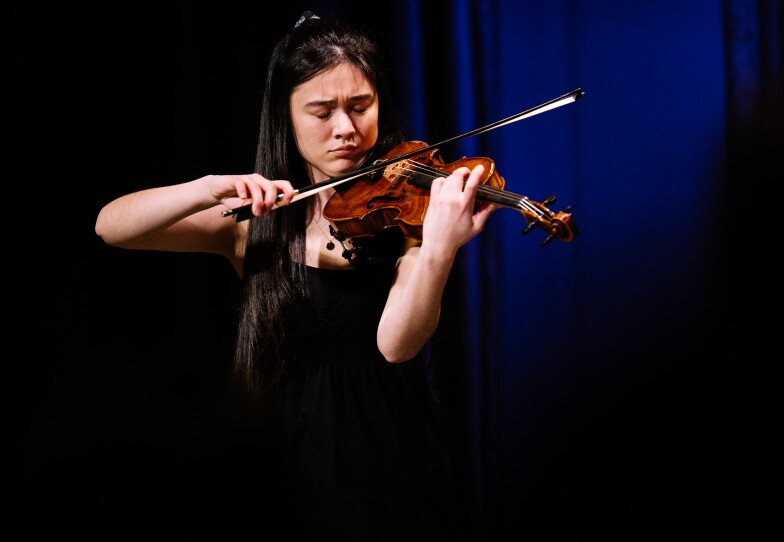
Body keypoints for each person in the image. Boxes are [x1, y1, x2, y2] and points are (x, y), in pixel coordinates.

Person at [95, 11, 494, 541]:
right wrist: (206, 187)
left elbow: (398, 345)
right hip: (286, 459)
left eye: (360, 106)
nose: (346, 129)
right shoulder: (255, 227)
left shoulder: (410, 214)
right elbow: (112, 228)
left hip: (393, 463)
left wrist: (439, 247)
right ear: (285, 116)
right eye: (321, 111)